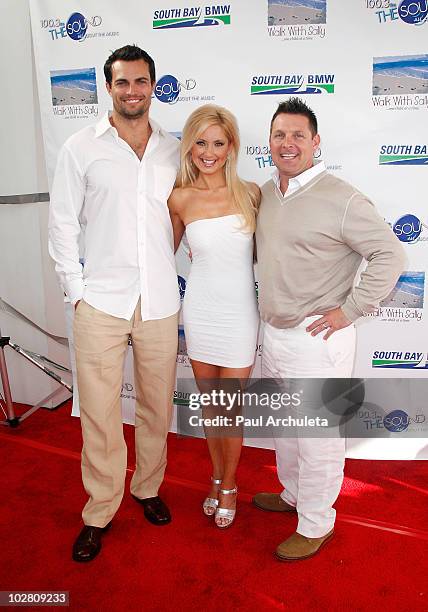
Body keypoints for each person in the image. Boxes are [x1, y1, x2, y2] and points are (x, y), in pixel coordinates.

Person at [254, 97, 406, 560]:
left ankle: (317, 523)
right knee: (286, 427)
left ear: (316, 142)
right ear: (270, 142)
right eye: (280, 134)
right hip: (274, 332)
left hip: (318, 337)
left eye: (298, 135)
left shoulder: (341, 197)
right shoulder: (267, 192)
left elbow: (391, 255)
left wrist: (353, 308)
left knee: (318, 434)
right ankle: (294, 495)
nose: (288, 143)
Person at [49, 45, 180, 562]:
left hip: (160, 301)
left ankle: (148, 488)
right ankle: (100, 509)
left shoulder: (174, 149)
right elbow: (61, 222)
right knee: (100, 414)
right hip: (100, 302)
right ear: (109, 86)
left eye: (141, 81)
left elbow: (188, 213)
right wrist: (77, 293)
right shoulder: (81, 147)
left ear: (154, 85)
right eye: (123, 82)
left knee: (155, 405)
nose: (133, 91)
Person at [168, 105, 260, 528]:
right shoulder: (180, 197)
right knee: (210, 407)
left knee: (230, 408)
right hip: (201, 310)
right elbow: (158, 253)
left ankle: (230, 486)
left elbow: (273, 256)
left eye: (218, 143)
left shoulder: (252, 193)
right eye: (200, 142)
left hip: (241, 312)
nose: (209, 152)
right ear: (189, 146)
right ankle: (217, 476)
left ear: (231, 147)